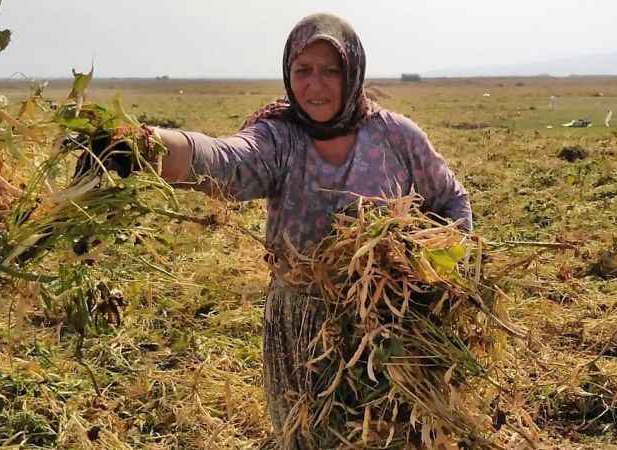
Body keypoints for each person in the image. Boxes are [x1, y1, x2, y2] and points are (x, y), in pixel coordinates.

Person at [102, 13, 471, 448]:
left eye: (330, 70)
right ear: (288, 74)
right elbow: (225, 160)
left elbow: (451, 200)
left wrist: (440, 273)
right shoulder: (280, 139)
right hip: (303, 333)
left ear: (352, 71)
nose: (316, 85)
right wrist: (146, 145)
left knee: (392, 435)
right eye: (303, 71)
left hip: (390, 326)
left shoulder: (397, 137)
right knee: (311, 438)